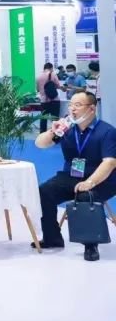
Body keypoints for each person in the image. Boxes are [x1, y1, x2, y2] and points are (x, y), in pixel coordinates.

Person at [34, 90, 116, 261]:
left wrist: (90, 182)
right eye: (71, 105)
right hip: (71, 176)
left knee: (85, 195)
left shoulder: (107, 132)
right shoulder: (67, 128)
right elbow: (40, 144)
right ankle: (52, 238)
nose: (72, 109)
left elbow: (109, 163)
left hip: (102, 179)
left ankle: (90, 244)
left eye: (78, 105)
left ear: (91, 109)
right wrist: (52, 132)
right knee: (44, 191)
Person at [37, 62, 61, 133]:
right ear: (51, 68)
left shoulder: (39, 76)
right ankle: (56, 134)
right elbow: (58, 85)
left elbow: (38, 89)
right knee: (55, 118)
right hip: (54, 100)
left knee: (43, 118)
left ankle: (42, 133)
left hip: (43, 101)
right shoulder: (53, 74)